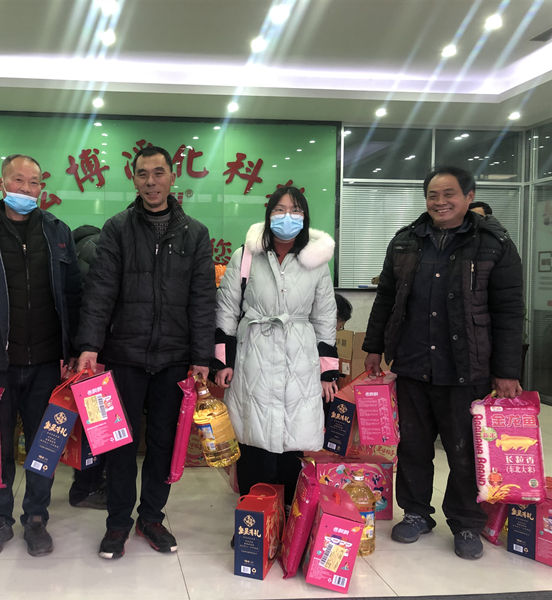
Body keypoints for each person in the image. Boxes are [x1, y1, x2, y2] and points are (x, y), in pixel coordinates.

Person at [362, 165, 523, 560]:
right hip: (413, 361)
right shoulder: (405, 241)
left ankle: (465, 522)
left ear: (469, 196)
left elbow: (508, 310)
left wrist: (506, 371)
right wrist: (374, 346)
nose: (440, 202)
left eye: (449, 194)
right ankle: (416, 512)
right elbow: (386, 298)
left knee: (464, 450)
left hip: (467, 366)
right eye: (433, 195)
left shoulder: (494, 243)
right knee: (414, 446)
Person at [75, 146, 215, 560]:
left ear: (172, 177)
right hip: (125, 355)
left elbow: (202, 300)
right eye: (142, 174)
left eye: (158, 173)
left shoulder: (195, 233)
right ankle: (118, 522)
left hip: (175, 357)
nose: (151, 182)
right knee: (119, 444)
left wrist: (201, 356)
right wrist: (90, 346)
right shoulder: (117, 228)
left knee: (164, 443)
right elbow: (100, 291)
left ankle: (151, 517)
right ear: (133, 179)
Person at [0, 154, 81, 558]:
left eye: (34, 182)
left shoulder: (57, 231)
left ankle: (36, 517)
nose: (26, 189)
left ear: (42, 188)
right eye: (18, 181)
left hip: (47, 363)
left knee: (44, 445)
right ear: (2, 184)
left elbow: (73, 296)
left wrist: (74, 351)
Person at [214, 186, 338, 505]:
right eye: (280, 210)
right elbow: (227, 308)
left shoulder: (316, 261)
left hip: (299, 354)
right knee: (252, 435)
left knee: (292, 439)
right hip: (253, 351)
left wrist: (328, 372)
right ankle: (254, 515)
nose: (287, 217)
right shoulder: (246, 255)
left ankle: (287, 517)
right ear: (269, 215)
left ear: (305, 217)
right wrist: (223, 361)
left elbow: (325, 315)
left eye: (295, 210)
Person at [67, 224, 107, 510]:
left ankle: (85, 484)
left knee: (88, 423)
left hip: (84, 353)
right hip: (99, 354)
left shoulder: (77, 253)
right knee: (99, 423)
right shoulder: (99, 252)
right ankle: (86, 488)